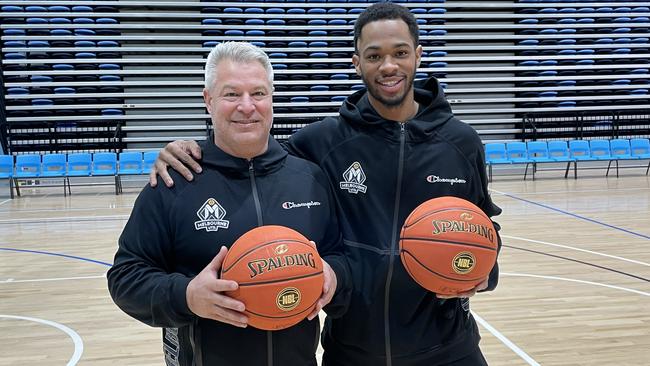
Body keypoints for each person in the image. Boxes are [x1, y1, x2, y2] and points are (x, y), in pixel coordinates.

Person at [150, 3, 502, 365]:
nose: (388, 66)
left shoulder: (461, 143)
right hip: (352, 350)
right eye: (374, 55)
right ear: (357, 62)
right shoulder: (322, 141)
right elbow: (252, 153)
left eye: (400, 53)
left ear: (418, 55)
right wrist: (192, 151)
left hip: (450, 347)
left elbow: (486, 228)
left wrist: (484, 271)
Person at [107, 42, 351, 366]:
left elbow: (340, 255)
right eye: (232, 94)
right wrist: (186, 296)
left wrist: (336, 276)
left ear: (272, 97)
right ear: (208, 100)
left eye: (258, 93)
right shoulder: (175, 182)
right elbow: (125, 277)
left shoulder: (310, 178)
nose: (247, 107)